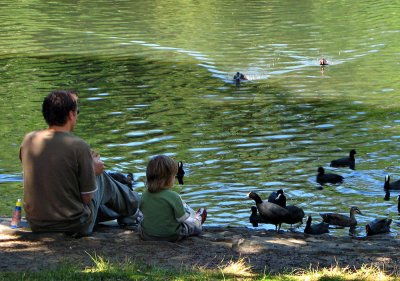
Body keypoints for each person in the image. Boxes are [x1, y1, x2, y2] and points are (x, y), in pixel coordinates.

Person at [19, 90, 141, 237]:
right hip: (74, 225)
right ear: (71, 115)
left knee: (93, 181)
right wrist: (91, 169)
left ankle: (128, 208)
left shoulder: (28, 141)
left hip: (37, 223)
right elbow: (87, 198)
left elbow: (54, 177)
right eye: (77, 111)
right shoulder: (78, 145)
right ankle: (136, 204)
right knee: (101, 177)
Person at [138, 155, 207, 241]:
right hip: (172, 235)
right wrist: (189, 214)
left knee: (141, 224)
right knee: (192, 225)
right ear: (168, 179)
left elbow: (141, 213)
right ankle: (198, 218)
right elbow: (182, 218)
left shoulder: (144, 195)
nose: (175, 178)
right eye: (174, 176)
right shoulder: (173, 196)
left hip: (147, 235)